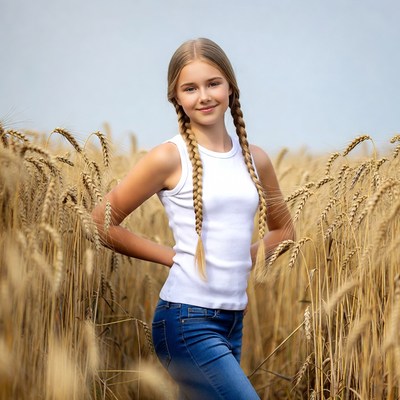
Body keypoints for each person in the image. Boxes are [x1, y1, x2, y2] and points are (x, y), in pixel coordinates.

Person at [92, 37, 294, 400]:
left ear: (230, 87)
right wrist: (172, 256)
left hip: (233, 321)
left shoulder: (256, 160)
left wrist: (241, 258)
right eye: (190, 88)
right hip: (186, 322)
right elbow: (100, 222)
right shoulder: (169, 158)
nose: (204, 96)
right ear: (176, 98)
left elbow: (284, 230)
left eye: (213, 83)